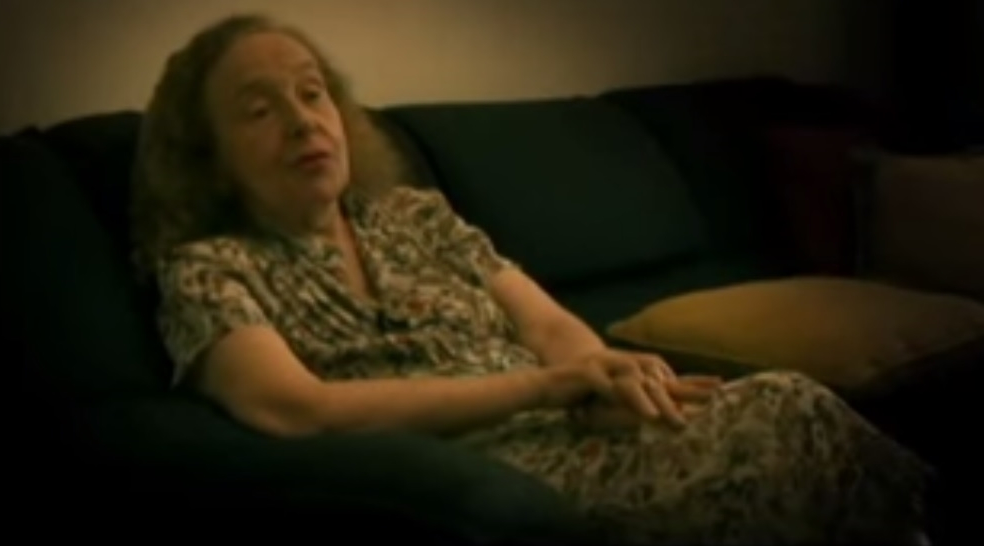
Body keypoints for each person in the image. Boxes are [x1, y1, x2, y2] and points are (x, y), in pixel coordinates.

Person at [131, 12, 934, 545]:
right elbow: (294, 409)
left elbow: (546, 325)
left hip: (569, 424)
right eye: (259, 109)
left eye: (313, 93)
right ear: (208, 157)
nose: (304, 119)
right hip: (488, 465)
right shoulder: (209, 269)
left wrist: (604, 380)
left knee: (785, 401)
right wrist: (547, 388)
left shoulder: (413, 216)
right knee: (784, 432)